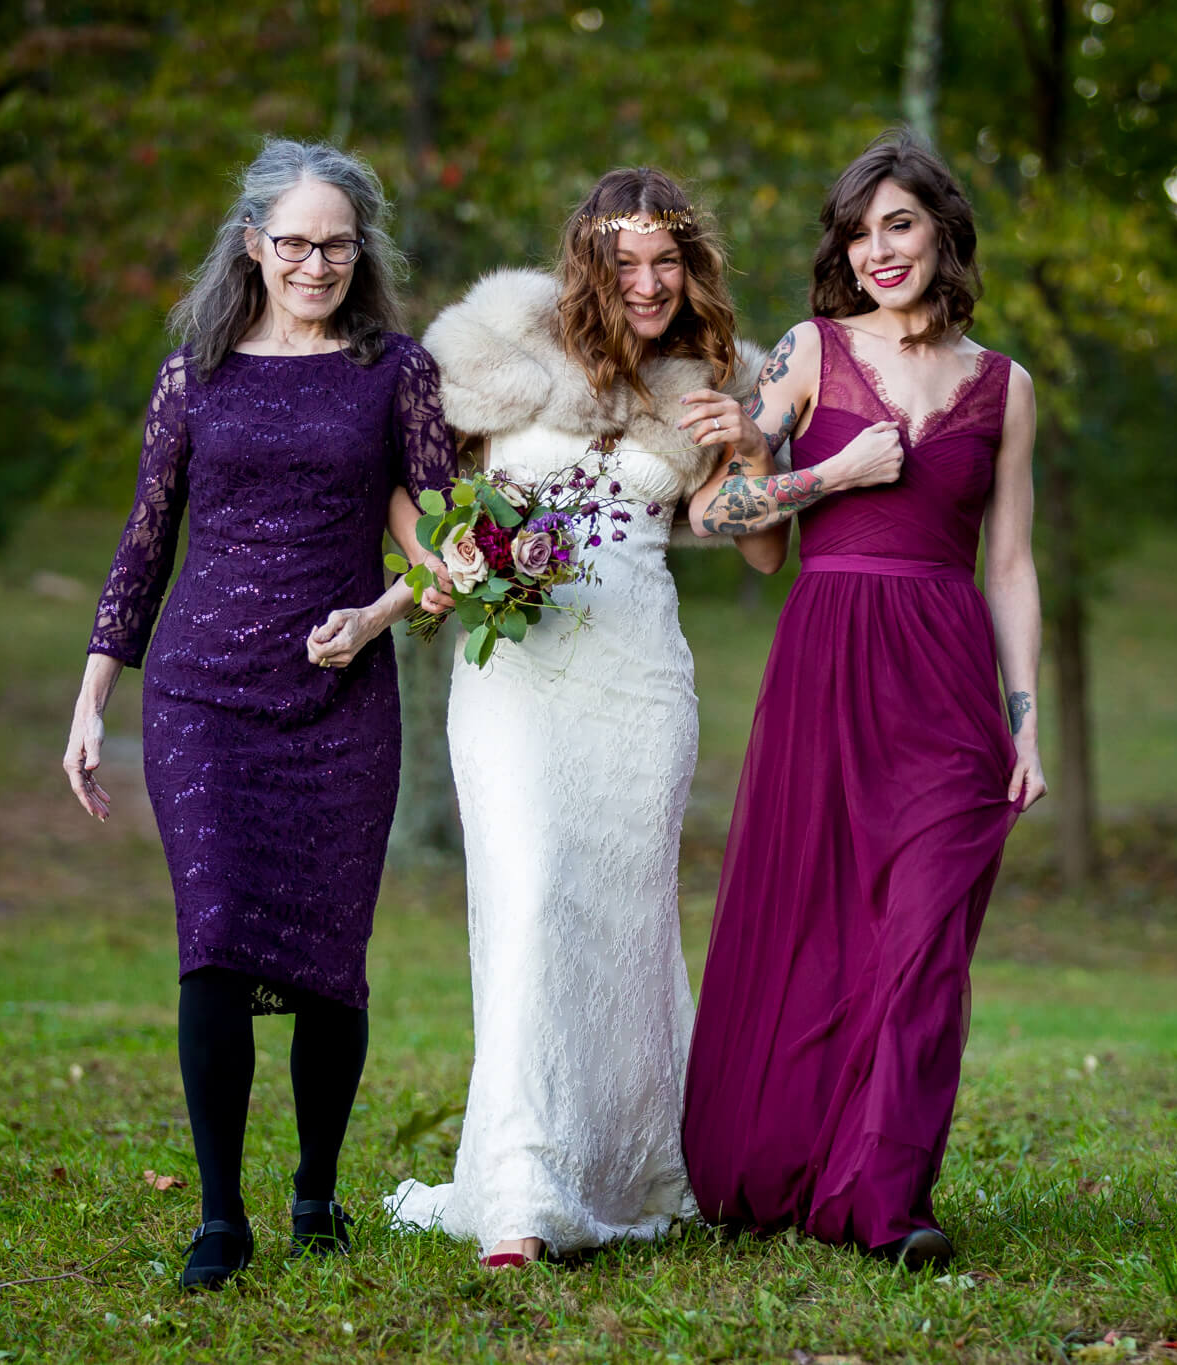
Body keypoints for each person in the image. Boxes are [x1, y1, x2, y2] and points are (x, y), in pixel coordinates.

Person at [384, 168, 903, 1267]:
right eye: (624, 262)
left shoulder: (718, 379)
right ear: (587, 265)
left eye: (666, 261)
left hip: (639, 680)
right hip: (516, 676)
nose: (648, 281)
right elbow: (424, 493)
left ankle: (628, 1169)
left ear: (691, 267)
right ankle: (520, 1192)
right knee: (528, 899)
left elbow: (760, 549)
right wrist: (446, 564)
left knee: (622, 920)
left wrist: (758, 450)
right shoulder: (497, 360)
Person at [63, 139, 456, 1290]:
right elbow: (144, 546)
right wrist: (93, 700)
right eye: (293, 242)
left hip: (339, 695)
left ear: (360, 250)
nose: (316, 263)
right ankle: (221, 1216)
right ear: (252, 244)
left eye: (337, 243)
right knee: (216, 939)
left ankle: (317, 1191)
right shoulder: (195, 371)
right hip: (201, 697)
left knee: (333, 953)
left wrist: (375, 616)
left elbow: (449, 548)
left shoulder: (397, 372)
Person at [679, 132, 1046, 1269]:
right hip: (825, 661)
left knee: (926, 936)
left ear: (941, 229)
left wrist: (1028, 721)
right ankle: (785, 1163)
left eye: (899, 223)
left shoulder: (1005, 386)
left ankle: (887, 1199)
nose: (878, 248)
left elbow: (1012, 565)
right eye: (859, 229)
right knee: (819, 925)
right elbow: (722, 526)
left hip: (945, 682)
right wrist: (824, 474)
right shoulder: (804, 352)